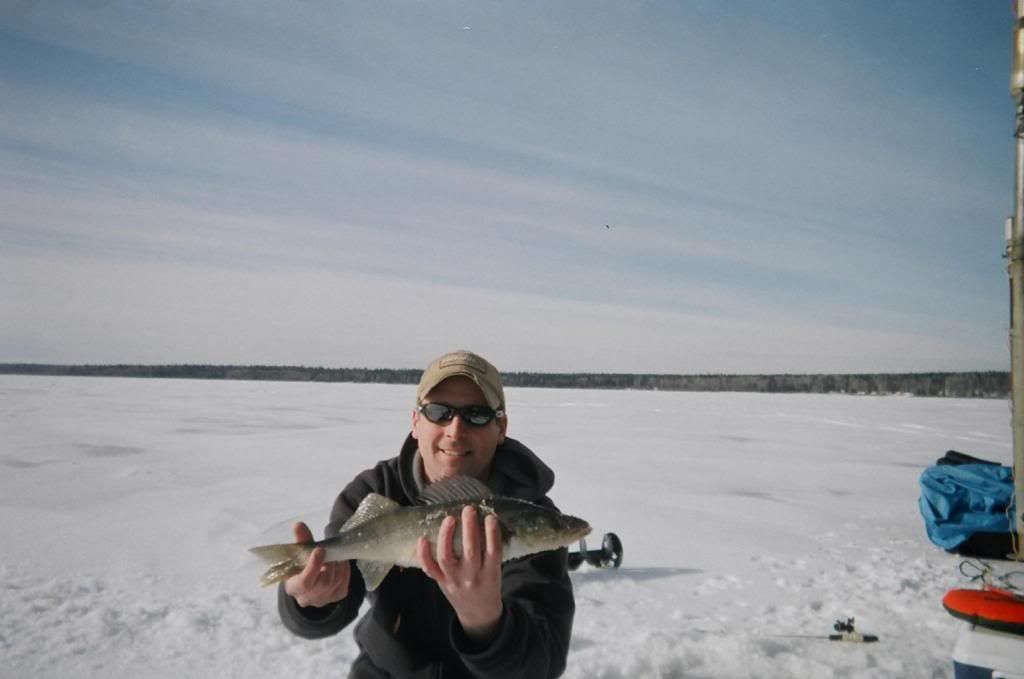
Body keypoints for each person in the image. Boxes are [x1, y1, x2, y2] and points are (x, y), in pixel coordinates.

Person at [276, 350, 576, 678]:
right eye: (439, 412)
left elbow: (541, 663)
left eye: (476, 414)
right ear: (416, 422)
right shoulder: (376, 491)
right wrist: (313, 598)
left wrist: (486, 621)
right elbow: (337, 593)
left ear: (500, 426)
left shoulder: (530, 515)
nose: (455, 430)